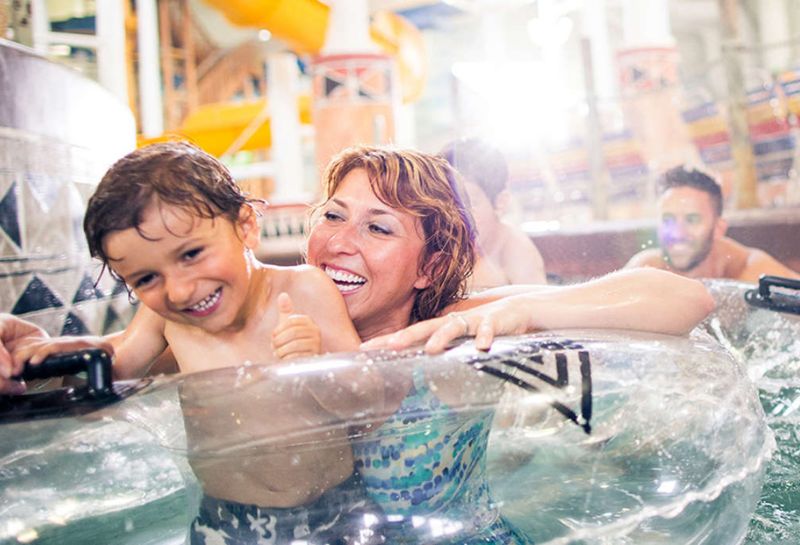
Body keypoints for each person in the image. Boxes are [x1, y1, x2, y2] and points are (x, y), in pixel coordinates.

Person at [304, 145, 715, 542]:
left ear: (429, 267)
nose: (339, 242)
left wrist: (523, 313)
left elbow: (687, 300)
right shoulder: (274, 323)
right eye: (333, 216)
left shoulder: (449, 336)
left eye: (378, 227)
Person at [0, 142, 384, 545]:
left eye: (192, 253)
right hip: (227, 523)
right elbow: (114, 367)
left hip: (334, 511)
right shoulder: (168, 318)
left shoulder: (306, 289)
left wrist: (317, 362)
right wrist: (47, 353)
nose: (179, 291)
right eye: (146, 279)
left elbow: (370, 405)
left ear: (246, 227)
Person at [625, 165, 800, 283]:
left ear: (718, 229)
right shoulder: (647, 270)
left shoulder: (750, 272)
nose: (677, 233)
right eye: (668, 220)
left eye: (692, 220)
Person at [439, 137, 547, 289]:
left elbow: (539, 306)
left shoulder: (514, 249)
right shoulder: (442, 247)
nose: (455, 215)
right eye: (446, 203)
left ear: (500, 203)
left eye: (469, 203)